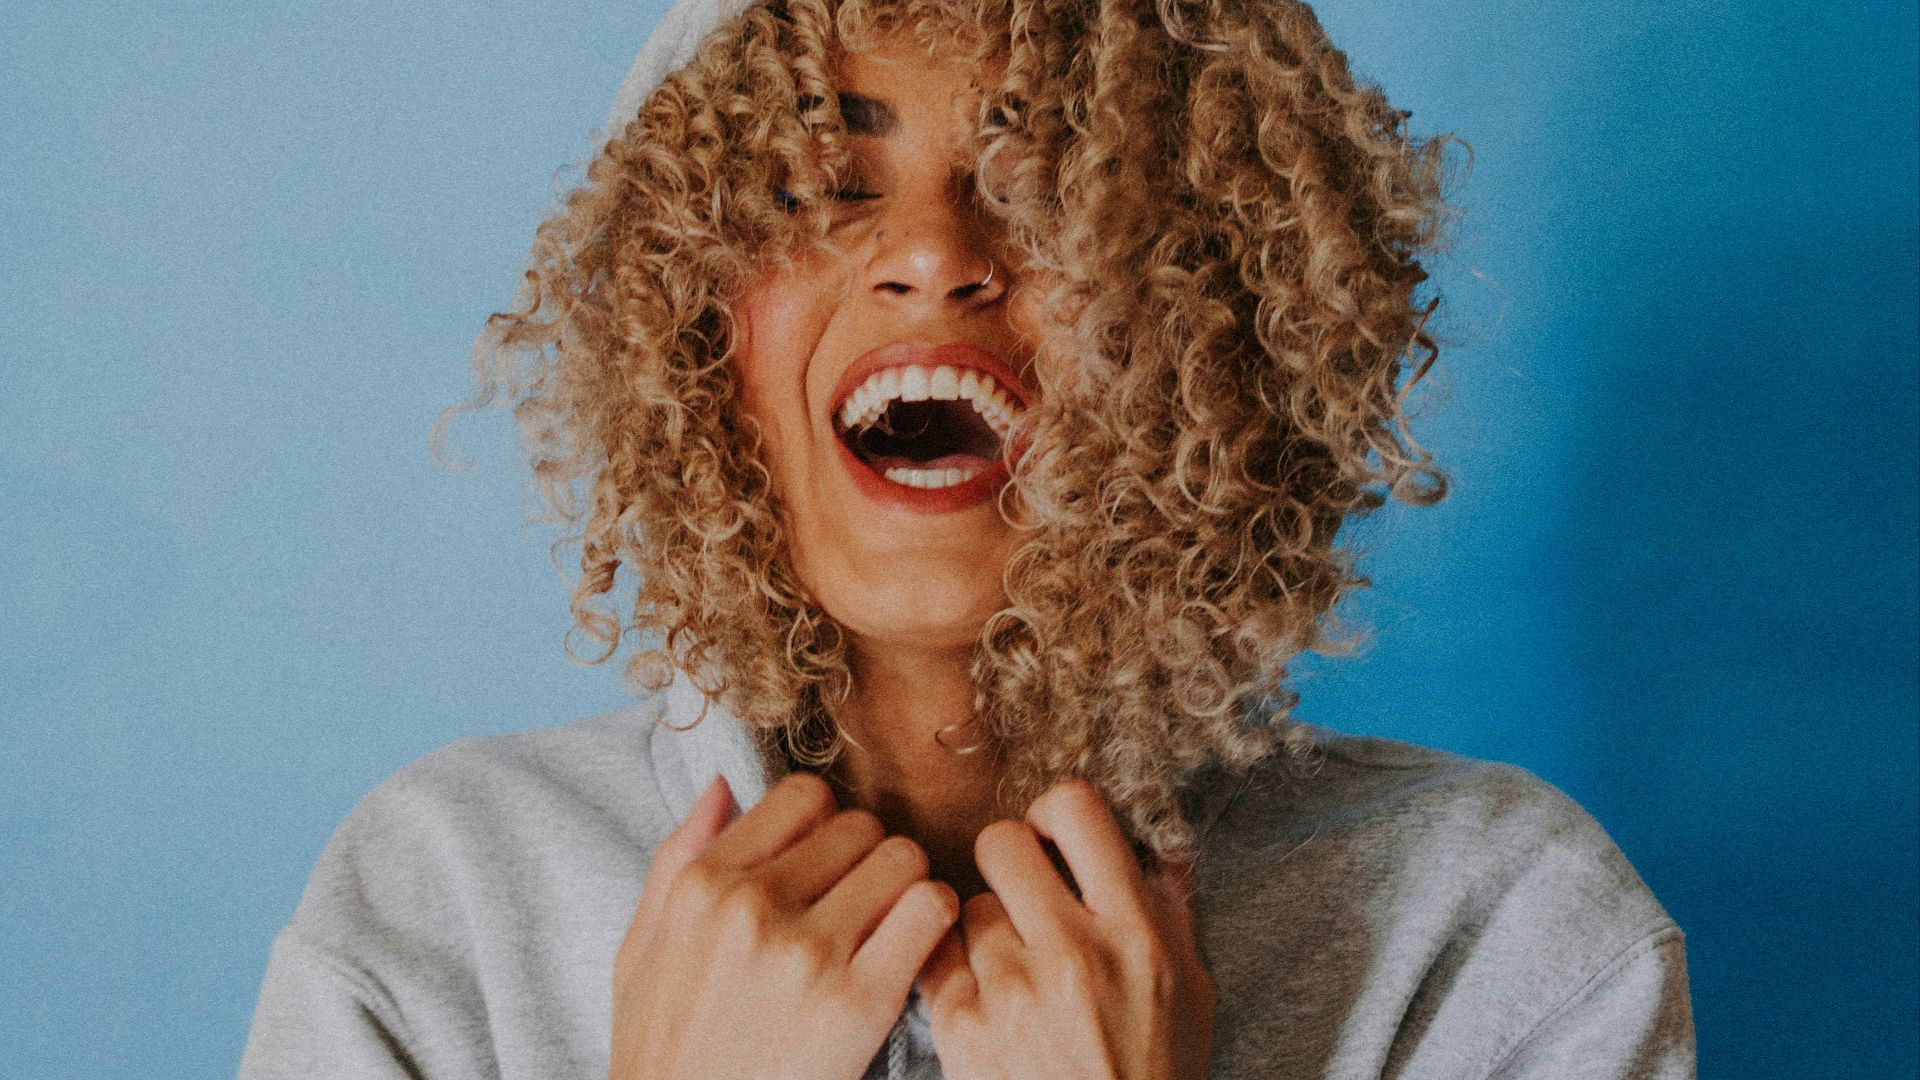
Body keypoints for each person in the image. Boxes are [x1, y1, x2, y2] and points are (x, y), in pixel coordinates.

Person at [238, 0, 1698, 1076]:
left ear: (1226, 322)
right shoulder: (442, 911)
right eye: (817, 189)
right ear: (690, 331)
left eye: (1054, 186)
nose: (935, 256)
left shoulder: (1503, 941)